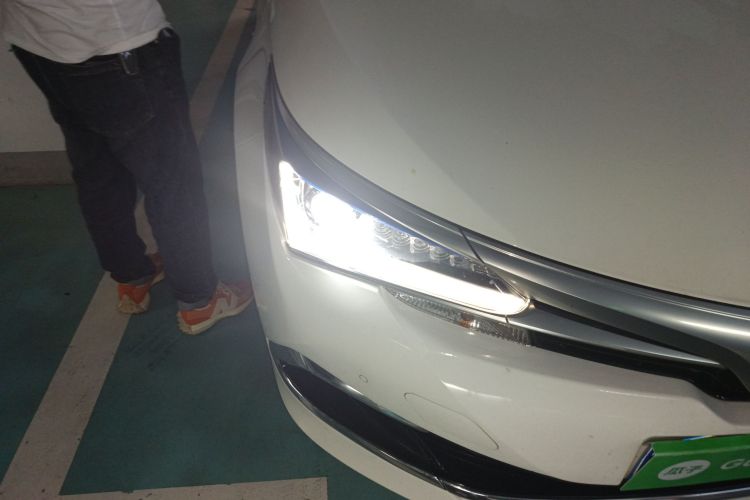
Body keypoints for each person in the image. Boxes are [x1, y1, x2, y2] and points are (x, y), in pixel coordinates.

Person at [1, 0, 253, 335]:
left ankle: (132, 277)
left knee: (98, 172)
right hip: (114, 45)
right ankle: (199, 300)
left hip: (39, 45)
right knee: (171, 181)